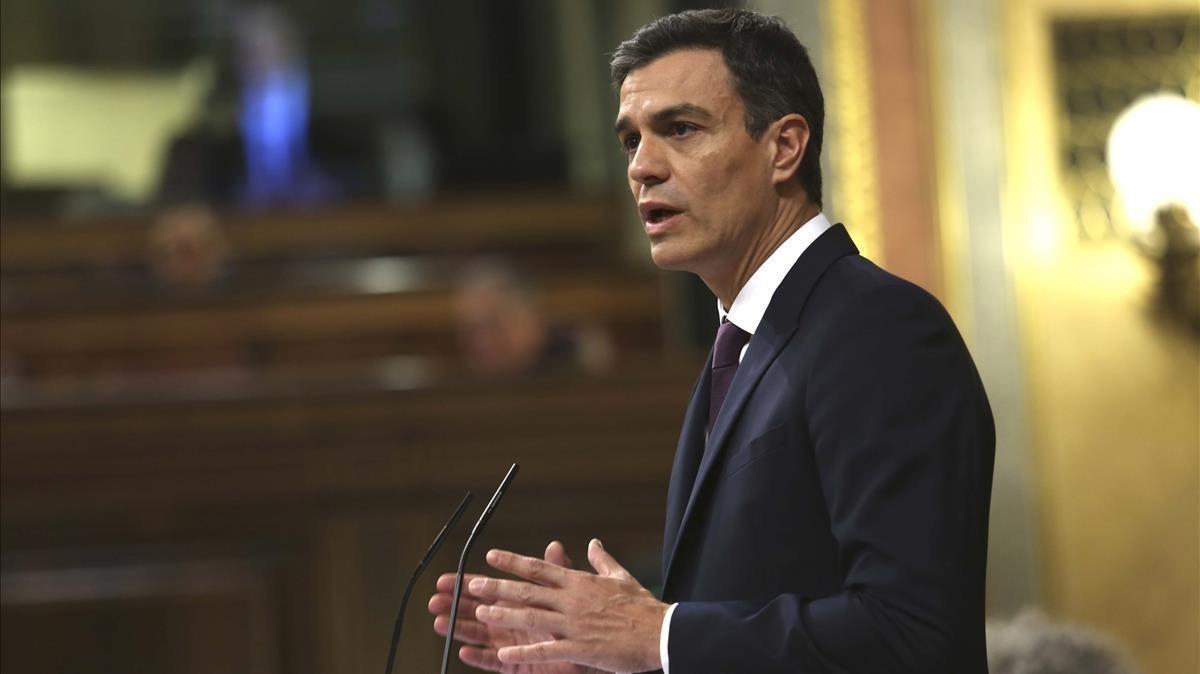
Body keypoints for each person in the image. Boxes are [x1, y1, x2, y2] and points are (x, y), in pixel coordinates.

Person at [428, 9, 995, 673]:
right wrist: (607, 655)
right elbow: (747, 609)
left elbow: (910, 633)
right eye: (631, 140)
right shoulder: (746, 342)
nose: (641, 167)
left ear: (783, 148)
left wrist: (658, 636)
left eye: (679, 129)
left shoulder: (878, 329)